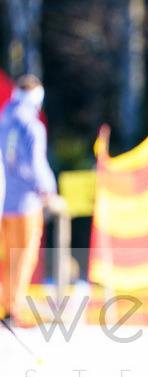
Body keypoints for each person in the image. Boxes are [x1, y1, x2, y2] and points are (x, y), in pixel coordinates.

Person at [0, 74, 59, 327]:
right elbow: (35, 163)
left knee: (6, 258)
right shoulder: (33, 125)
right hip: (25, 202)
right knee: (23, 257)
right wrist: (49, 189)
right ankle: (13, 309)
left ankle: (6, 305)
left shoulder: (4, 119)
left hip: (4, 201)